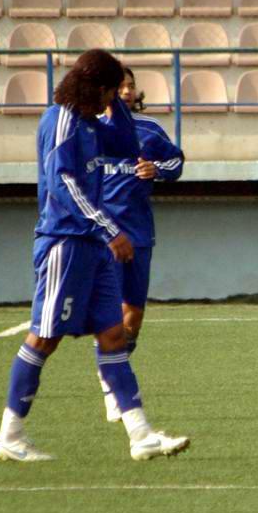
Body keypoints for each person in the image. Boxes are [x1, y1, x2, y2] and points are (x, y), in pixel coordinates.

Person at [0, 49, 190, 462]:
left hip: (92, 245)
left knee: (114, 336)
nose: (114, 98)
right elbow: (63, 182)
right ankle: (10, 435)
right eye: (110, 91)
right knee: (44, 338)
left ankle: (141, 435)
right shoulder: (61, 120)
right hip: (64, 242)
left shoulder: (91, 123)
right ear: (93, 88)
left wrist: (117, 102)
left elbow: (126, 143)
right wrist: (109, 228)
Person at [96, 67, 185, 422]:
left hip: (139, 232)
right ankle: (111, 386)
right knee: (110, 312)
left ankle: (113, 368)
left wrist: (156, 170)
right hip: (103, 232)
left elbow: (176, 161)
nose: (126, 91)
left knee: (133, 315)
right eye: (119, 86)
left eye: (130, 85)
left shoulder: (149, 129)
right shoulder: (90, 129)